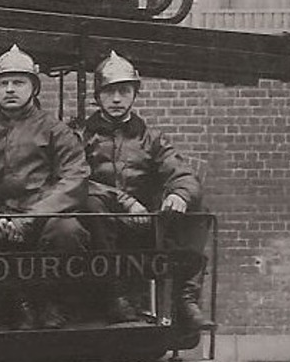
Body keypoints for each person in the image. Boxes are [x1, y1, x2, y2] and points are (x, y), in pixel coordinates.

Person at [76, 51, 210, 330]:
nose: (116, 99)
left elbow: (182, 174)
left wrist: (179, 194)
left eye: (124, 91)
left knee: (198, 211)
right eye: (109, 92)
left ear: (134, 94)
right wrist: (124, 201)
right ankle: (115, 296)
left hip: (143, 227)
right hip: (97, 228)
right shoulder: (80, 136)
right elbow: (72, 178)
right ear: (98, 95)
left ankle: (185, 297)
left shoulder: (152, 139)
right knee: (90, 203)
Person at [0, 45, 91, 329]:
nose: (10, 89)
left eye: (18, 82)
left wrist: (31, 217)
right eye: (3, 83)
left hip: (41, 219)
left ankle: (49, 304)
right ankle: (15, 303)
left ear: (33, 87)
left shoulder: (56, 130)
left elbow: (75, 178)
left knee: (68, 231)